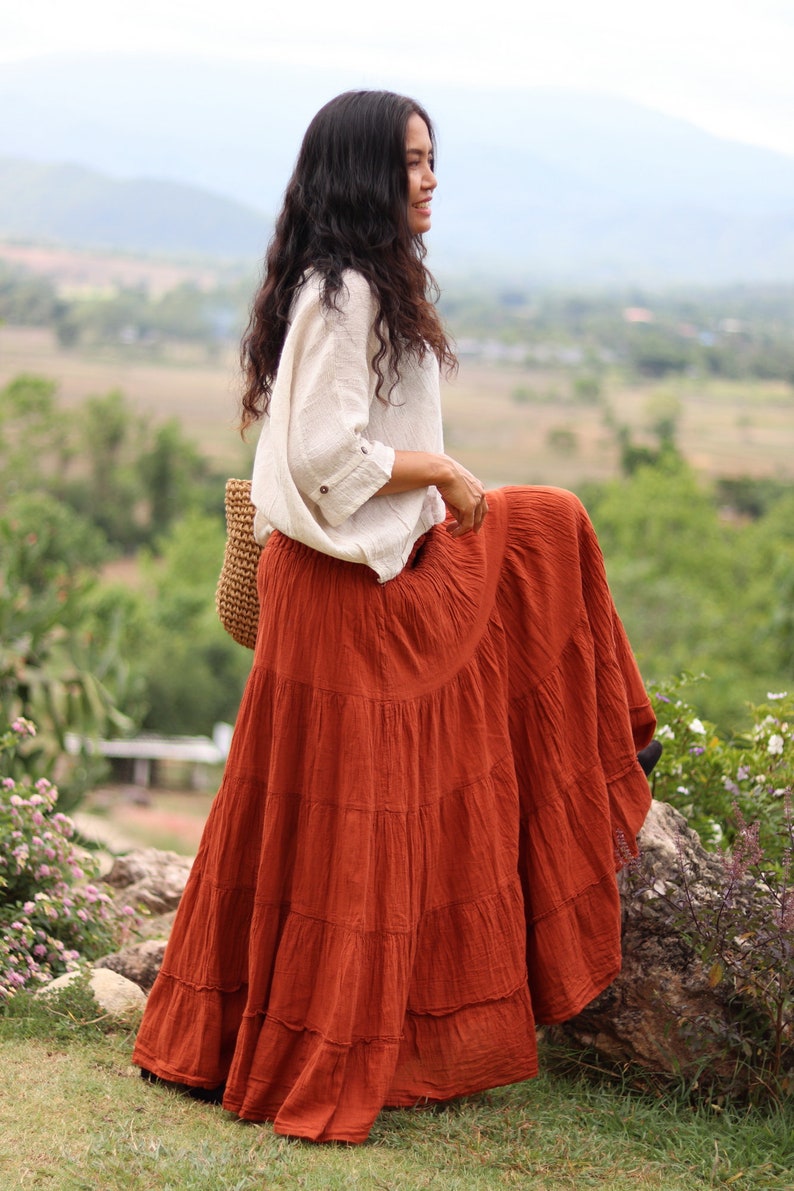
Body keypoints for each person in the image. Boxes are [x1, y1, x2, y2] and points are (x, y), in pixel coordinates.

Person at [133, 89, 658, 1145]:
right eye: (412, 162)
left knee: (543, 528)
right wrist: (441, 471)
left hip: (352, 585)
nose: (429, 178)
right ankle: (304, 1051)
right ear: (366, 174)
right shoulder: (342, 293)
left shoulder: (356, 285)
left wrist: (441, 490)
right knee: (352, 829)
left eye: (431, 159)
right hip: (341, 601)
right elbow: (326, 461)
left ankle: (246, 1039)